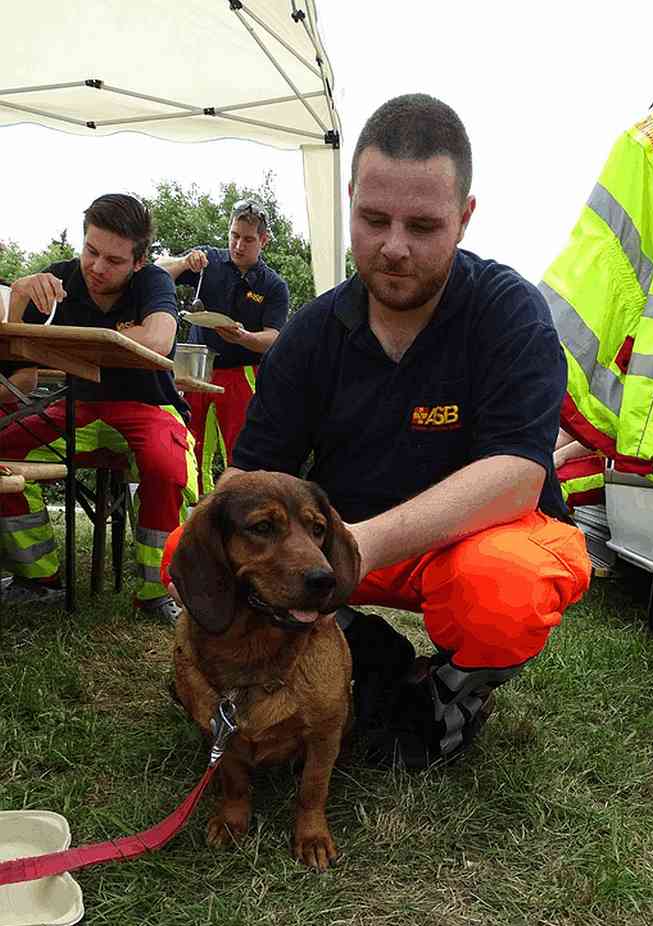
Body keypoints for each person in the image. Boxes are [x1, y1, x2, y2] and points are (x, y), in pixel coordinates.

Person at [163, 94, 592, 767]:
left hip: (460, 544)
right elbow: (250, 473)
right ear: (352, 201)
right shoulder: (311, 332)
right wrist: (243, 528)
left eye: (423, 225)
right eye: (373, 219)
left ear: (465, 217)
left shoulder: (510, 312)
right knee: (192, 554)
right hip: (336, 549)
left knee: (500, 597)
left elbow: (518, 475)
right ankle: (368, 657)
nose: (393, 248)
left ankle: (452, 695)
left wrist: (354, 547)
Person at [0, 193, 197, 624]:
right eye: (91, 251)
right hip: (80, 407)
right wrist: (18, 299)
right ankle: (39, 578)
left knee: (167, 467)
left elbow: (160, 340)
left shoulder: (155, 283)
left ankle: (157, 589)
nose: (96, 267)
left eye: (114, 260)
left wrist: (84, 340)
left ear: (140, 261)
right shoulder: (57, 279)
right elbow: (20, 363)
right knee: (5, 449)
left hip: (151, 405)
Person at [156, 199, 289, 494]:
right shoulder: (208, 260)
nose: (239, 245)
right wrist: (182, 263)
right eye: (234, 236)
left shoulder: (273, 285)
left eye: (248, 239)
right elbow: (156, 272)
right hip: (195, 369)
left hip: (243, 372)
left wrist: (245, 338)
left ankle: (241, 518)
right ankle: (193, 517)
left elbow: (274, 338)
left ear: (263, 240)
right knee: (188, 443)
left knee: (241, 450)